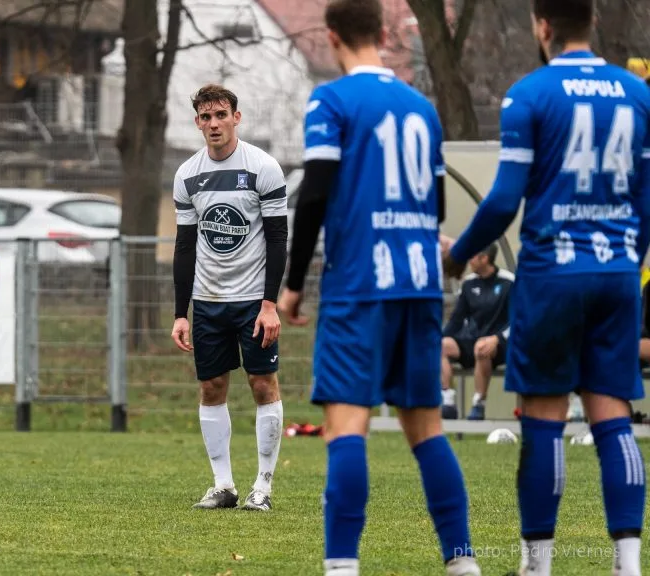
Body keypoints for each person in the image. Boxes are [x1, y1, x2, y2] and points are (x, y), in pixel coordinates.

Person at [444, 1, 650, 574]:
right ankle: (628, 564)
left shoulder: (530, 94)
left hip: (552, 274)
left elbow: (506, 200)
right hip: (617, 272)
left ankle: (538, 565)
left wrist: (460, 256)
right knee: (612, 413)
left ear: (542, 26)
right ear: (594, 24)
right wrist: (629, 266)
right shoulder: (639, 95)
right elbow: (648, 201)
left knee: (543, 417)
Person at [275, 1, 479, 574]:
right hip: (418, 283)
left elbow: (313, 194)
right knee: (426, 429)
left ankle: (341, 565)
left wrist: (292, 286)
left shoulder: (332, 100)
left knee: (347, 426)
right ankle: (461, 561)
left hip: (361, 282)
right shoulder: (422, 109)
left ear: (333, 36)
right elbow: (436, 202)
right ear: (386, 35)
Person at [171, 84, 288, 512]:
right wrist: (180, 313)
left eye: (221, 114)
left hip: (253, 301)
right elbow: (185, 247)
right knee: (211, 386)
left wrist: (270, 303)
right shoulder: (187, 175)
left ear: (236, 117)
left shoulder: (263, 168)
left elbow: (278, 240)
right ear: (197, 122)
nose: (213, 123)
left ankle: (263, 485)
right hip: (207, 301)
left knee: (262, 386)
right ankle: (223, 485)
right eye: (205, 117)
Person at [440, 243, 513, 421]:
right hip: (472, 340)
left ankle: (479, 403)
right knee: (440, 345)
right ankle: (447, 402)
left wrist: (496, 338)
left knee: (481, 347)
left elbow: (518, 320)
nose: (469, 260)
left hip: (500, 344)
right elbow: (456, 320)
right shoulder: (469, 283)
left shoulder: (508, 282)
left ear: (484, 259)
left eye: (473, 256)